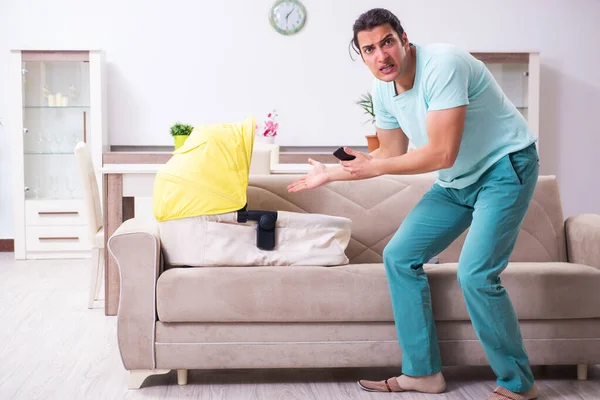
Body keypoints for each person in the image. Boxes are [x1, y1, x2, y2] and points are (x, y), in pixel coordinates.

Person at [287, 7, 540, 400]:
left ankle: (517, 383)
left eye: (387, 42)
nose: (381, 56)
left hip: (505, 168)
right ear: (361, 55)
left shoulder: (444, 65)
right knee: (399, 255)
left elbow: (441, 153)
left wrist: (373, 166)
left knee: (475, 274)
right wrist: (331, 173)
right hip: (457, 182)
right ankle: (422, 374)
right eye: (369, 49)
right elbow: (389, 153)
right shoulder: (382, 90)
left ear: (404, 40)